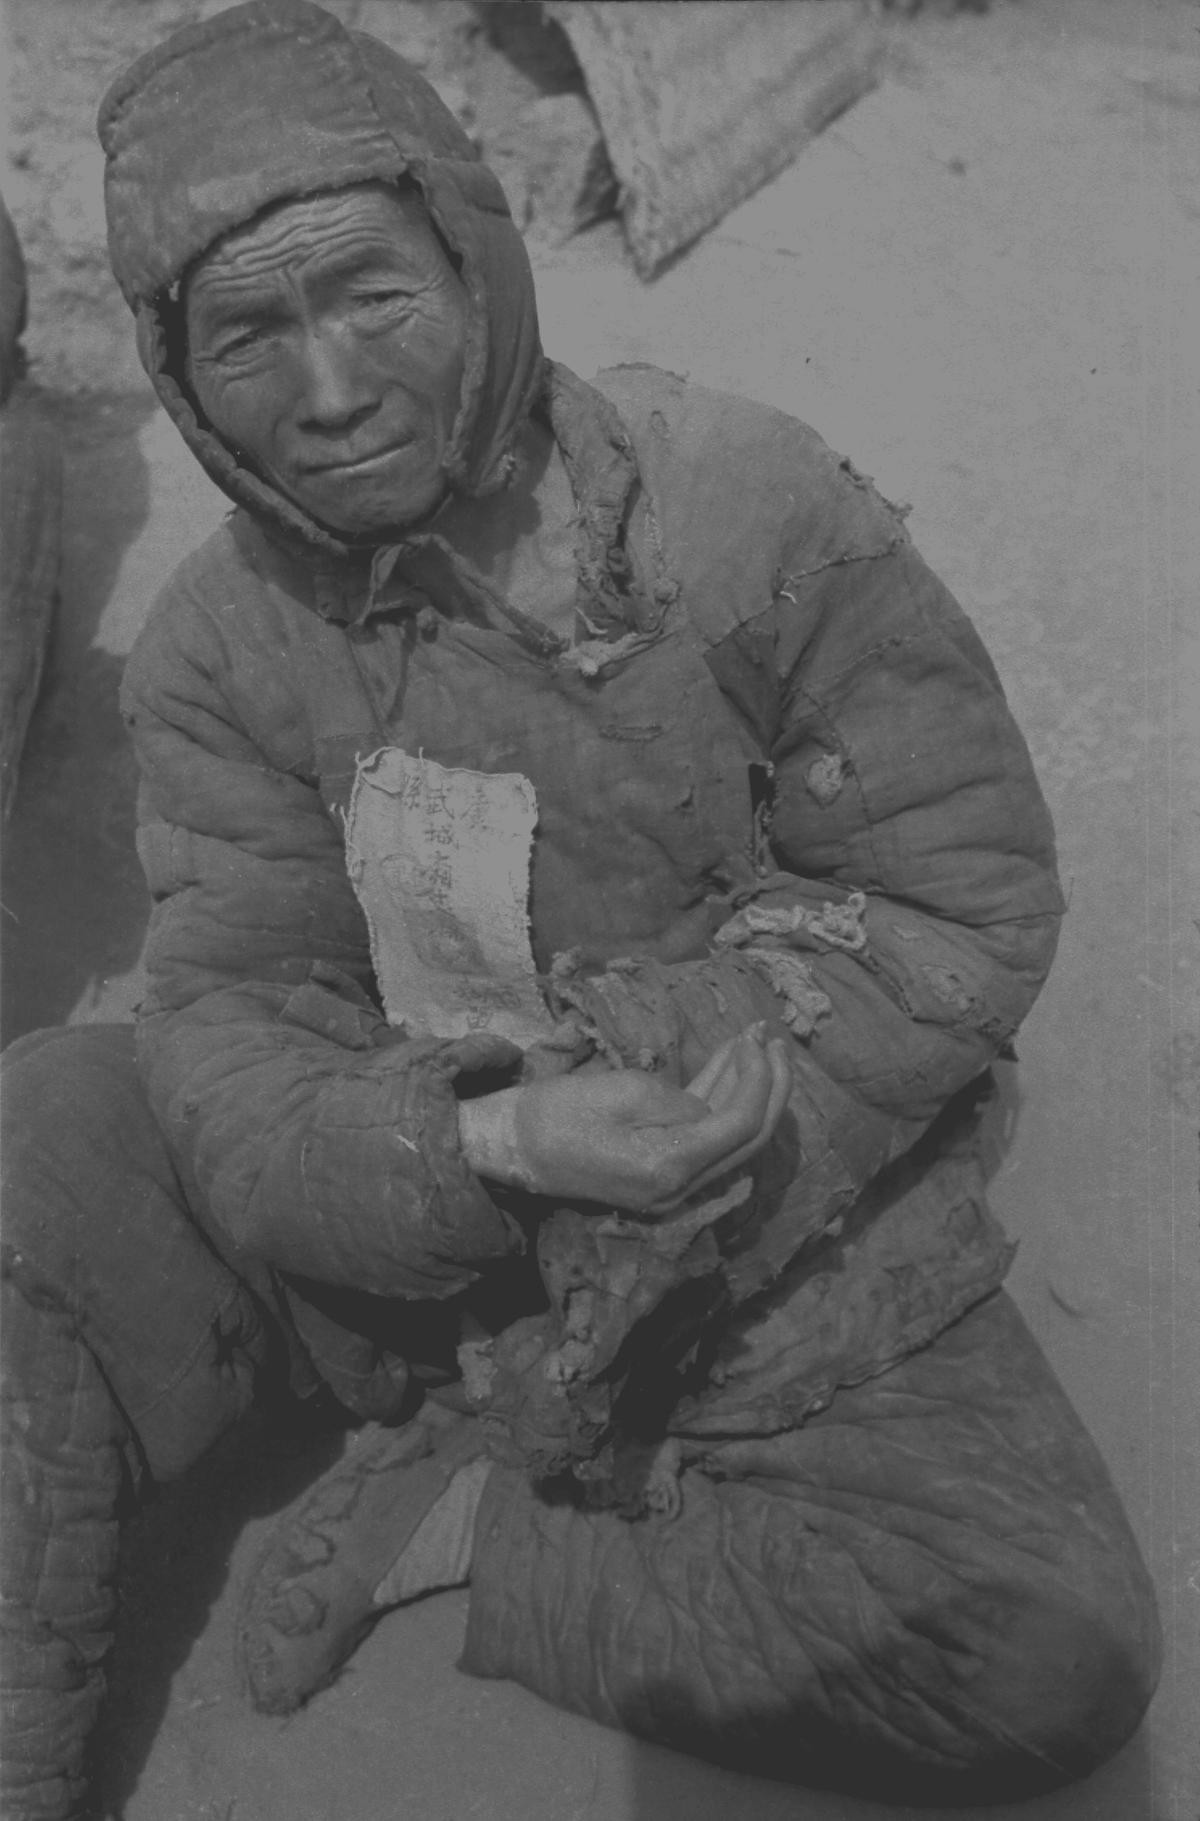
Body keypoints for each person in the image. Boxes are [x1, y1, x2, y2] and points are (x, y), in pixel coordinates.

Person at [0, 3, 1160, 1817]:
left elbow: (956, 896)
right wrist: (497, 1141)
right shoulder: (224, 645)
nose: (329, 389)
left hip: (744, 1211)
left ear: (477, 262)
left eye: (374, 293)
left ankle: (482, 1506)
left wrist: (690, 1075)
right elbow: (235, 1024)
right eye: (248, 333)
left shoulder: (744, 515)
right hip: (399, 1211)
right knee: (33, 1151)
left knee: (1040, 1656)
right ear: (178, 373)